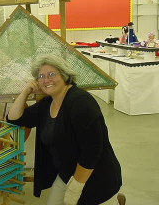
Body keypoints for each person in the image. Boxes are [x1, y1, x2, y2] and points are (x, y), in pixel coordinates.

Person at [7, 54, 124, 205]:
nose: (46, 80)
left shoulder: (80, 102)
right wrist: (26, 91)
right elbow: (14, 118)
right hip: (66, 174)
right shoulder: (48, 103)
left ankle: (116, 201)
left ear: (64, 75)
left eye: (51, 74)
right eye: (41, 76)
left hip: (96, 176)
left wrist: (75, 188)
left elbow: (92, 152)